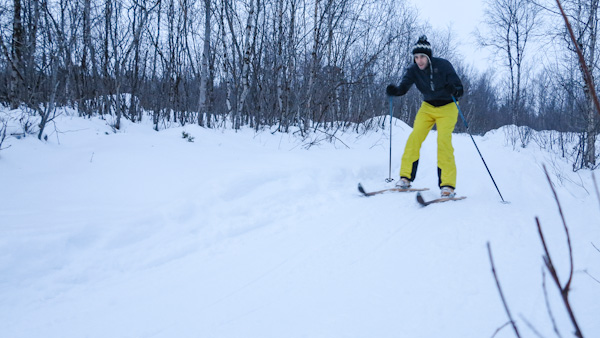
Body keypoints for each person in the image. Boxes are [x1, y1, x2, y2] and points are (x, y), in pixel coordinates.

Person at [386, 35, 463, 198]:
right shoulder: (413, 70)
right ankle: (405, 178)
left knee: (443, 142)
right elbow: (403, 87)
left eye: (422, 57)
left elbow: (459, 89)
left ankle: (447, 185)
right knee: (414, 138)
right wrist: (395, 91)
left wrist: (453, 89)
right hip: (427, 107)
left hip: (447, 107)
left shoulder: (443, 66)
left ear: (428, 57)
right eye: (416, 57)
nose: (419, 60)